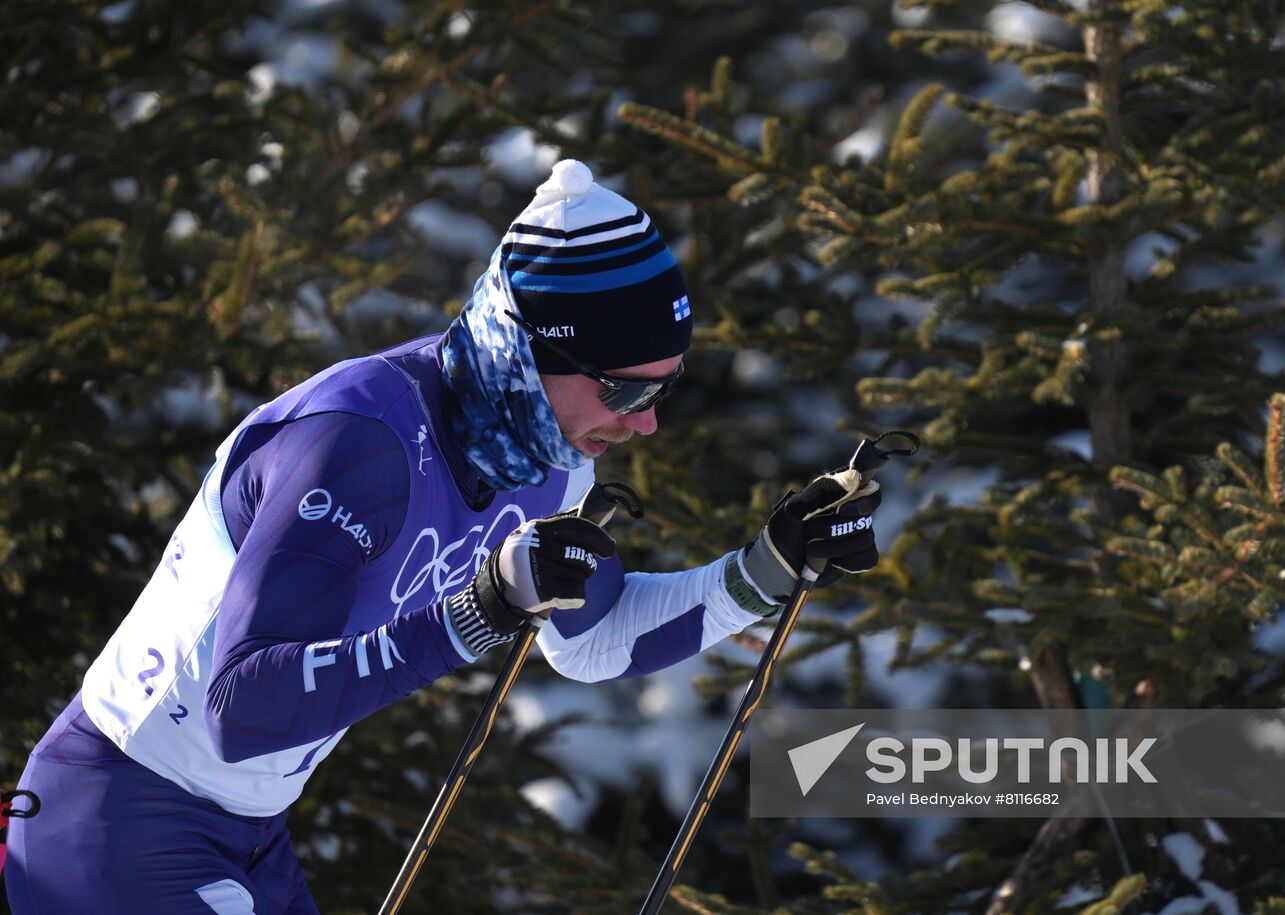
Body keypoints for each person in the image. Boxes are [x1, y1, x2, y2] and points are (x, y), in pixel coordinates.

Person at [4, 160, 883, 914]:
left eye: (663, 389)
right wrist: (483, 606)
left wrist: (762, 571)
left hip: (243, 831)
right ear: (528, 349)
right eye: (624, 390)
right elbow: (246, 708)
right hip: (118, 819)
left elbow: (591, 640)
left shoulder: (547, 458)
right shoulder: (358, 443)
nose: (644, 425)